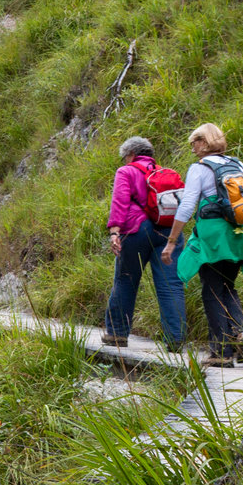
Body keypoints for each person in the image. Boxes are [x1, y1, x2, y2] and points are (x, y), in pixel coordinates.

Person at [161, 122, 243, 366]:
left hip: (213, 235)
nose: (192, 147)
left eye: (194, 142)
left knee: (211, 290)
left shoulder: (200, 168)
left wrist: (172, 241)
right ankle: (240, 331)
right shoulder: (238, 164)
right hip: (241, 233)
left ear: (205, 142)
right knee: (227, 285)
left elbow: (187, 206)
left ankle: (221, 354)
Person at [101, 136, 185, 350]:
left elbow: (120, 201)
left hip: (137, 230)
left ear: (130, 155)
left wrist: (114, 231)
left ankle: (117, 334)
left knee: (126, 279)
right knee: (171, 284)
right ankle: (175, 338)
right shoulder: (167, 173)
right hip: (168, 230)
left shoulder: (126, 171)